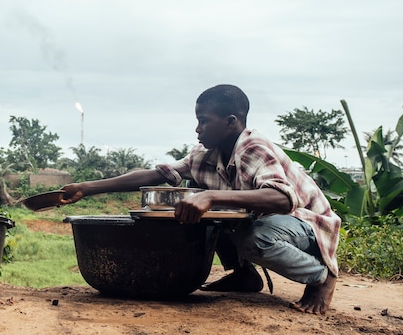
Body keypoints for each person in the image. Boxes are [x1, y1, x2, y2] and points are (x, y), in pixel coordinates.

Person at [61, 84, 340, 315]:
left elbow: (281, 199)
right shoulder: (206, 154)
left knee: (252, 237)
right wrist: (87, 188)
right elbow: (157, 175)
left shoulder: (253, 147)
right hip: (271, 221)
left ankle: (320, 278)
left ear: (231, 122)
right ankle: (244, 275)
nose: (198, 129)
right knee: (198, 210)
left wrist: (210, 196)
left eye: (204, 121)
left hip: (306, 223)